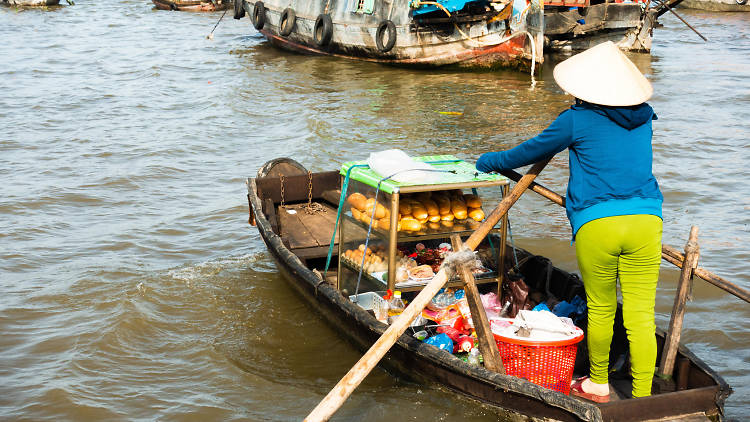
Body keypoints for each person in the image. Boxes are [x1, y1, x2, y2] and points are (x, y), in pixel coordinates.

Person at [475, 41, 663, 402]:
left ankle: (597, 383)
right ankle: (642, 397)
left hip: (599, 223)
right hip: (647, 221)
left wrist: (490, 160)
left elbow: (528, 152)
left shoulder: (576, 119)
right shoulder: (645, 117)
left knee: (603, 308)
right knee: (641, 315)